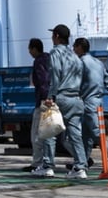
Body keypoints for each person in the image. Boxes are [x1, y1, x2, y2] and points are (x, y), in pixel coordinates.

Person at [33, 24, 87, 179]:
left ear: (56, 36)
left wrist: (50, 96)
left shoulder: (55, 53)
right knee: (75, 134)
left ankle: (48, 166)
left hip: (61, 97)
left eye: (52, 35)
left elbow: (55, 75)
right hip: (76, 98)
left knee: (49, 131)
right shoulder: (75, 57)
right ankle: (80, 167)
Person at [73, 37, 108, 170]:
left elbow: (74, 83)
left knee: (97, 133)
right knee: (86, 135)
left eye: (74, 47)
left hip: (87, 101)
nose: (73, 49)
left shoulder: (80, 62)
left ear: (79, 47)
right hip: (98, 102)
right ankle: (83, 161)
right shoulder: (98, 63)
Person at [23, 37, 52, 172]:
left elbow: (42, 81)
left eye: (30, 49)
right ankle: (82, 159)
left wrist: (43, 99)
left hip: (42, 102)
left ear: (34, 49)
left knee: (36, 134)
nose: (29, 52)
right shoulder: (49, 59)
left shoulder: (39, 61)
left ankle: (38, 163)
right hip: (53, 99)